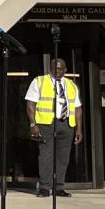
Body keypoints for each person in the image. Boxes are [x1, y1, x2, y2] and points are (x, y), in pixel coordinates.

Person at [24, 58, 80, 198]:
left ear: (65, 70)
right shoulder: (39, 81)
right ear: (50, 69)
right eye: (55, 68)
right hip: (45, 124)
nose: (58, 71)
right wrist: (33, 124)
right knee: (46, 156)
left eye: (60, 69)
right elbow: (30, 104)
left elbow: (78, 108)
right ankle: (45, 187)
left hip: (66, 124)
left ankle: (59, 187)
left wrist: (79, 129)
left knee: (63, 157)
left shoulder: (71, 85)